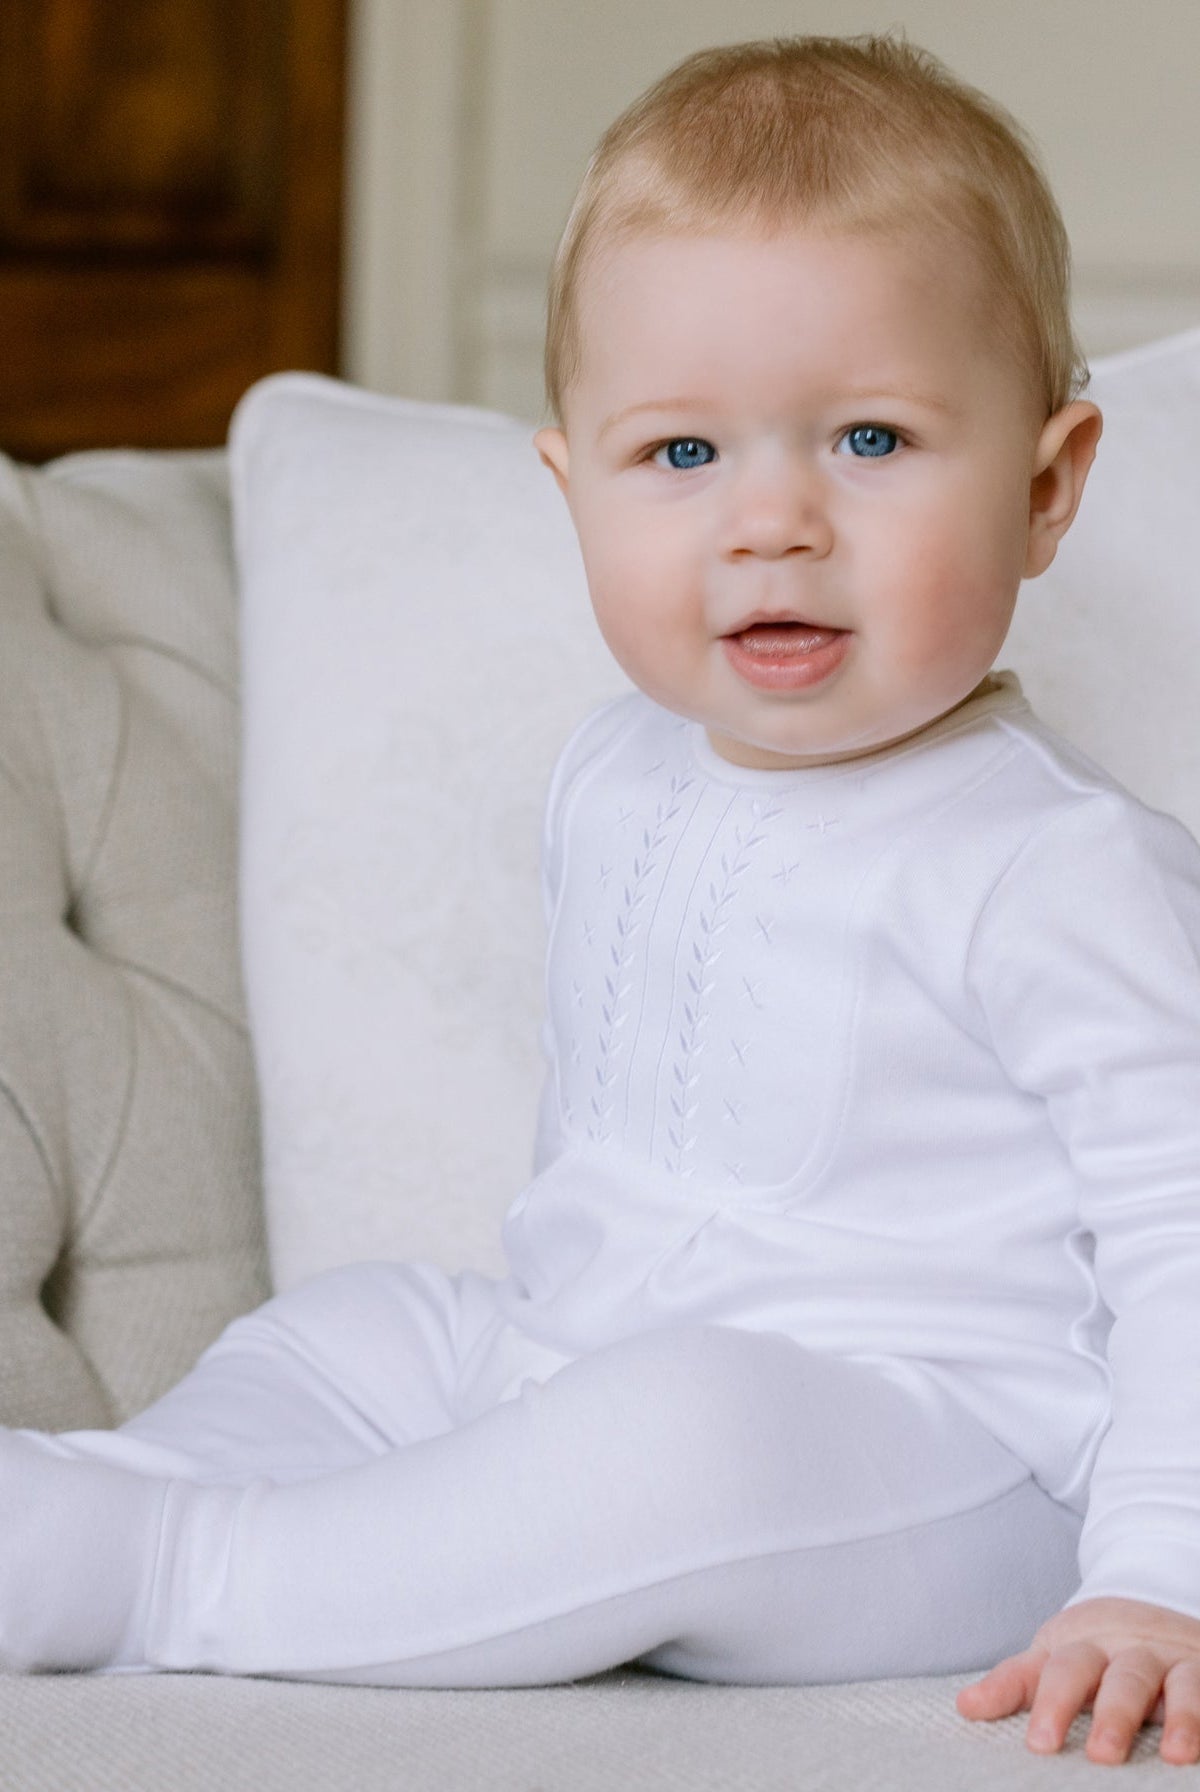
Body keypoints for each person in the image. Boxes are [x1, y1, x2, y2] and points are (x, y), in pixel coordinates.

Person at [3, 31, 1199, 1768]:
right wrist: (510, 1384)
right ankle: (116, 1490)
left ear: (1045, 485)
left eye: (870, 437)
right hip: (578, 1353)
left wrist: (1159, 1568)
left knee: (686, 1438)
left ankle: (175, 1573)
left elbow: (1188, 1224)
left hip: (934, 1464)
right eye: (682, 457)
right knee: (363, 1329)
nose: (773, 521)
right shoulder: (613, 770)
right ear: (574, 494)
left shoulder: (1054, 867)